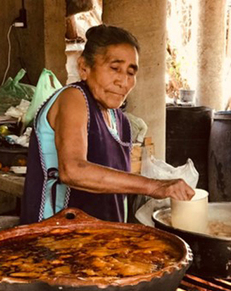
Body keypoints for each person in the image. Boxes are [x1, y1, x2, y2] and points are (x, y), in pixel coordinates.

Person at [21, 24, 194, 224]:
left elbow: (113, 191)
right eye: (114, 68)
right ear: (84, 68)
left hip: (101, 240)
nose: (124, 81)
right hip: (55, 238)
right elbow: (73, 170)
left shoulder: (121, 121)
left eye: (131, 73)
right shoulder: (74, 98)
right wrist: (154, 186)